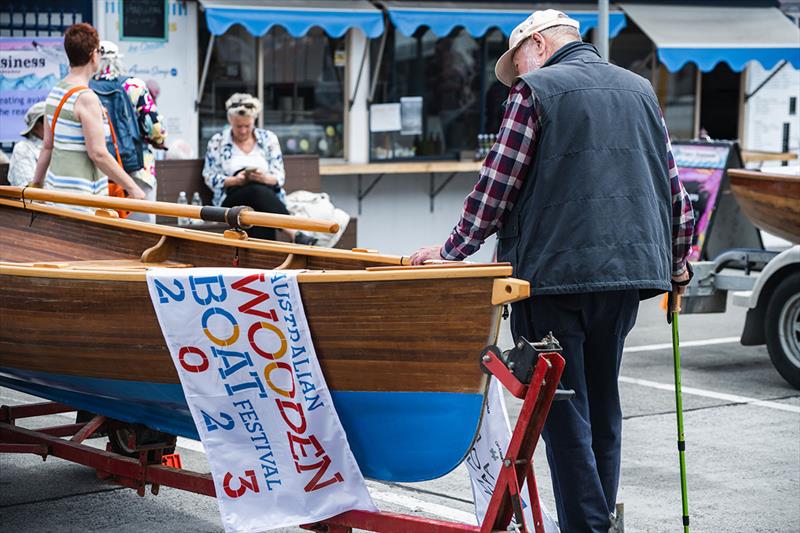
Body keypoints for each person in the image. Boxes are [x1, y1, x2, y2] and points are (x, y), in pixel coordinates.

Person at [410, 10, 694, 533]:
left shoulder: (535, 91)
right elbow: (675, 190)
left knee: (564, 413)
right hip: (626, 276)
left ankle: (587, 527)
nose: (518, 75)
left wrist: (452, 251)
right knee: (603, 406)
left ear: (536, 44)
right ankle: (598, 519)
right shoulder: (640, 91)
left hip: (552, 277)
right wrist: (678, 268)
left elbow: (497, 188)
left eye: (518, 63)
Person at [31, 23, 145, 208]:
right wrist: (132, 188)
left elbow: (47, 146)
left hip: (56, 194)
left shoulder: (56, 91)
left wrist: (36, 184)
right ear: (93, 54)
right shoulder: (86, 98)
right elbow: (98, 153)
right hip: (82, 199)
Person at [203, 93, 315, 244]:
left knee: (258, 204)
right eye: (238, 126)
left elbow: (279, 177)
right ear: (230, 121)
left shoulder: (268, 139)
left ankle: (262, 260)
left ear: (254, 121)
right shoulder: (218, 141)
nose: (243, 131)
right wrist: (236, 180)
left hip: (265, 195)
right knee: (255, 191)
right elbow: (209, 177)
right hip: (231, 197)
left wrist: (263, 178)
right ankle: (295, 234)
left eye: (247, 126)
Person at [91, 40, 167, 223]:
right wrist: (159, 139)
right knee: (142, 228)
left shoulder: (85, 87)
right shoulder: (133, 85)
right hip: (136, 166)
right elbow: (154, 127)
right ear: (117, 60)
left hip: (98, 169)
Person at [8, 101, 46, 186]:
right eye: (48, 120)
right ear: (36, 126)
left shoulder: (60, 146)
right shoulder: (23, 149)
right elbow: (27, 190)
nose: (54, 124)